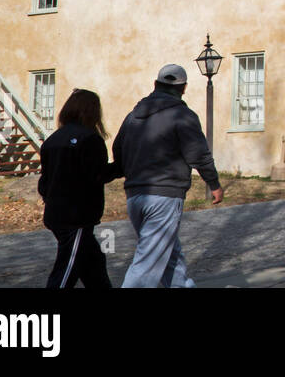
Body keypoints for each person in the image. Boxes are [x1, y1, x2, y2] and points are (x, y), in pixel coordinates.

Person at [110, 64, 222, 288]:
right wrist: (214, 184)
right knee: (147, 263)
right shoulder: (183, 116)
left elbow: (118, 149)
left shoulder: (133, 117)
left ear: (155, 85)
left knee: (168, 254)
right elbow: (198, 154)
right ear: (184, 88)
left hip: (135, 196)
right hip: (164, 196)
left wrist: (129, 171)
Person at [38, 89, 113, 289]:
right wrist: (122, 167)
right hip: (77, 218)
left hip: (56, 213)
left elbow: (44, 183)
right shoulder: (90, 139)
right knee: (66, 270)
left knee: (93, 264)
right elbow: (97, 175)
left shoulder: (52, 140)